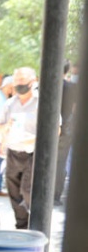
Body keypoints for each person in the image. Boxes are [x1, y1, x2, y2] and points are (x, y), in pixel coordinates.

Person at [0, 67, 39, 229]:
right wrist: (4, 130)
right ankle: (22, 225)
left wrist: (36, 139)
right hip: (13, 152)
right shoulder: (9, 104)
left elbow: (56, 129)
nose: (18, 83)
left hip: (34, 153)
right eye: (16, 80)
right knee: (13, 191)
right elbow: (0, 127)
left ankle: (36, 222)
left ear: (33, 81)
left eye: (22, 80)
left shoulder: (42, 102)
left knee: (27, 190)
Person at [54, 61, 78, 205]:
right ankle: (55, 196)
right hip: (65, 129)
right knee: (60, 163)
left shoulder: (43, 85)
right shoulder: (72, 88)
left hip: (46, 128)